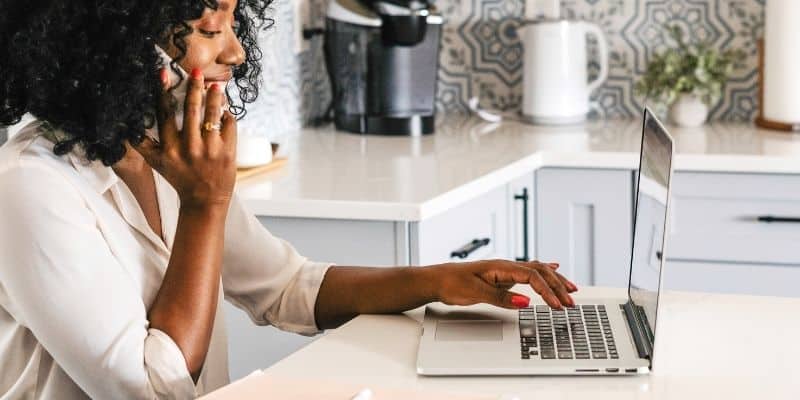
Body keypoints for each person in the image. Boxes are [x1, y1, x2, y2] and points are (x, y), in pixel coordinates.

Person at [0, 1, 576, 398]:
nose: (236, 54)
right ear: (123, 48)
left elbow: (287, 287)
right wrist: (205, 206)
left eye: (232, 27)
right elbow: (152, 389)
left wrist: (439, 281)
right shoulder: (31, 186)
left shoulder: (164, 148)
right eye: (209, 30)